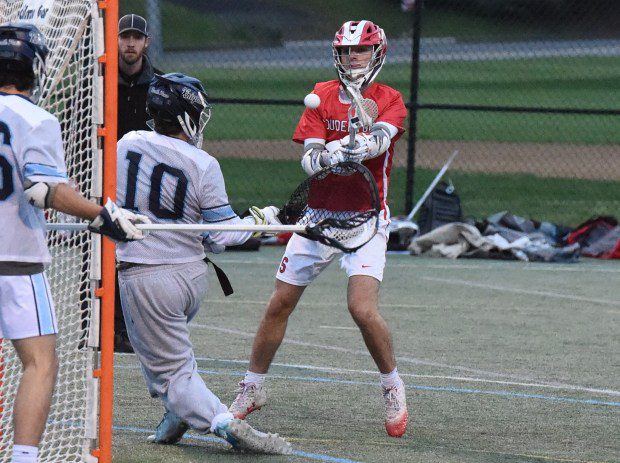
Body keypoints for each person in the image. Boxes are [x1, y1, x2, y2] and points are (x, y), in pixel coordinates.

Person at [229, 20, 409, 438]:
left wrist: (360, 144)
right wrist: (325, 157)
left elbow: (382, 139)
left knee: (361, 309)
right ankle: (252, 387)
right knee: (279, 304)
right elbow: (308, 159)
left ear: (376, 54)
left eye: (360, 51)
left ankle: (392, 385)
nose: (352, 58)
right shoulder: (322, 95)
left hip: (366, 219)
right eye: (346, 52)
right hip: (318, 216)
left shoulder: (389, 98)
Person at [114, 72, 291, 454]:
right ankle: (176, 414)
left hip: (146, 278)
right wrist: (262, 219)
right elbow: (222, 236)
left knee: (170, 371)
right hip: (190, 279)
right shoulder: (202, 163)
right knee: (163, 354)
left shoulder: (127, 143)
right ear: (184, 117)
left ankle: (221, 420)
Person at [0, 23, 149, 463]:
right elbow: (45, 190)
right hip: (14, 258)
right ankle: (24, 458)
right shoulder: (35, 119)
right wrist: (104, 216)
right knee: (40, 362)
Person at [113, 13, 162, 352]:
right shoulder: (98, 80)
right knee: (100, 255)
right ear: (115, 41)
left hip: (143, 185)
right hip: (104, 177)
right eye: (124, 36)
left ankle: (131, 328)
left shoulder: (159, 84)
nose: (130, 43)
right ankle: (98, 326)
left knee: (138, 256)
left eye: (136, 37)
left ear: (146, 42)